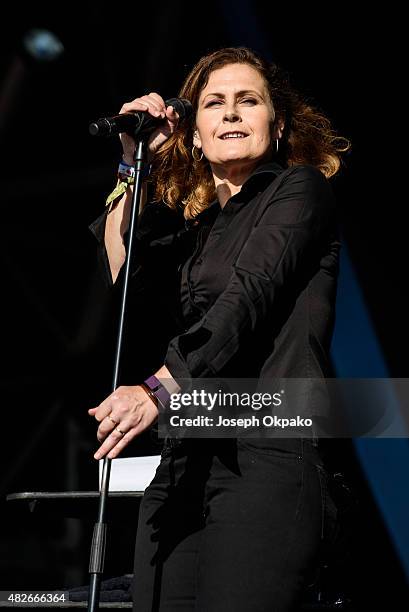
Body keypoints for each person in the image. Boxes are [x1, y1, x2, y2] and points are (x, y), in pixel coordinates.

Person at [88, 46, 350, 611]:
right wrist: (134, 161)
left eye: (247, 101)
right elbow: (121, 272)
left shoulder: (299, 191)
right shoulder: (195, 230)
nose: (231, 113)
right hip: (183, 461)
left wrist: (157, 390)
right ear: (196, 133)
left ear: (276, 127)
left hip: (268, 454)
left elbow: (247, 298)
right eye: (215, 103)